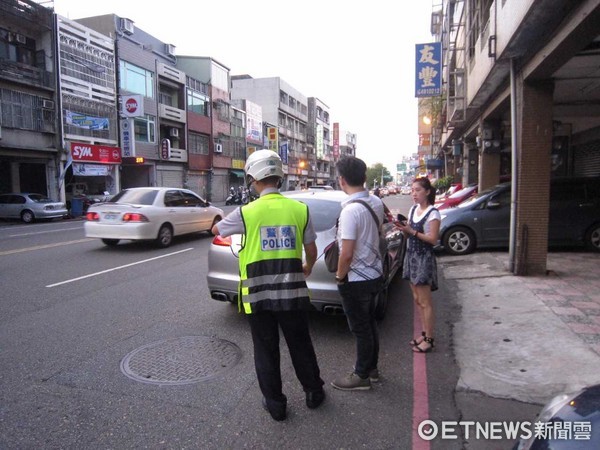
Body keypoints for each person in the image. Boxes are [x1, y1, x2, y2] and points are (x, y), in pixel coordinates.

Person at [211, 149, 325, 421]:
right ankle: (313, 393)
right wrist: (308, 266)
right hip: (293, 292)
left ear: (254, 179)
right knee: (300, 344)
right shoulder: (299, 209)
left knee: (266, 349)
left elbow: (216, 231)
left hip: (257, 297)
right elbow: (311, 249)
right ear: (279, 178)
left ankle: (276, 404)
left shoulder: (246, 212)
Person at [331, 156, 385, 391]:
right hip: (375, 275)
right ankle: (372, 369)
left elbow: (346, 254)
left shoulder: (350, 211)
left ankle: (362, 375)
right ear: (364, 177)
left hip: (356, 279)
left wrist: (340, 277)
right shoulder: (376, 202)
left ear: (342, 180)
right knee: (369, 324)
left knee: (361, 328)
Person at [396, 177, 441, 353]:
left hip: (423, 258)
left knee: (425, 301)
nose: (414, 194)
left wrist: (412, 231)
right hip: (411, 257)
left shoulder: (433, 213)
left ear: (427, 192)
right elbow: (410, 233)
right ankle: (424, 333)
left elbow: (432, 239)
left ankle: (429, 339)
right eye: (412, 190)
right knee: (416, 299)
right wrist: (404, 229)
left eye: (418, 190)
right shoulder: (414, 209)